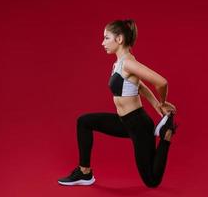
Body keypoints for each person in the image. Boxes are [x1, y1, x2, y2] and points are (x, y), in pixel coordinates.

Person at [58, 19, 177, 188]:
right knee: (84, 122)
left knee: (152, 181)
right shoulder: (119, 63)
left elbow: (162, 82)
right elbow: (141, 86)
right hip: (124, 122)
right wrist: (156, 104)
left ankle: (166, 136)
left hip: (138, 125)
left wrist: (163, 102)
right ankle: (84, 172)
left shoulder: (129, 63)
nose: (102, 42)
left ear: (119, 39)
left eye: (106, 38)